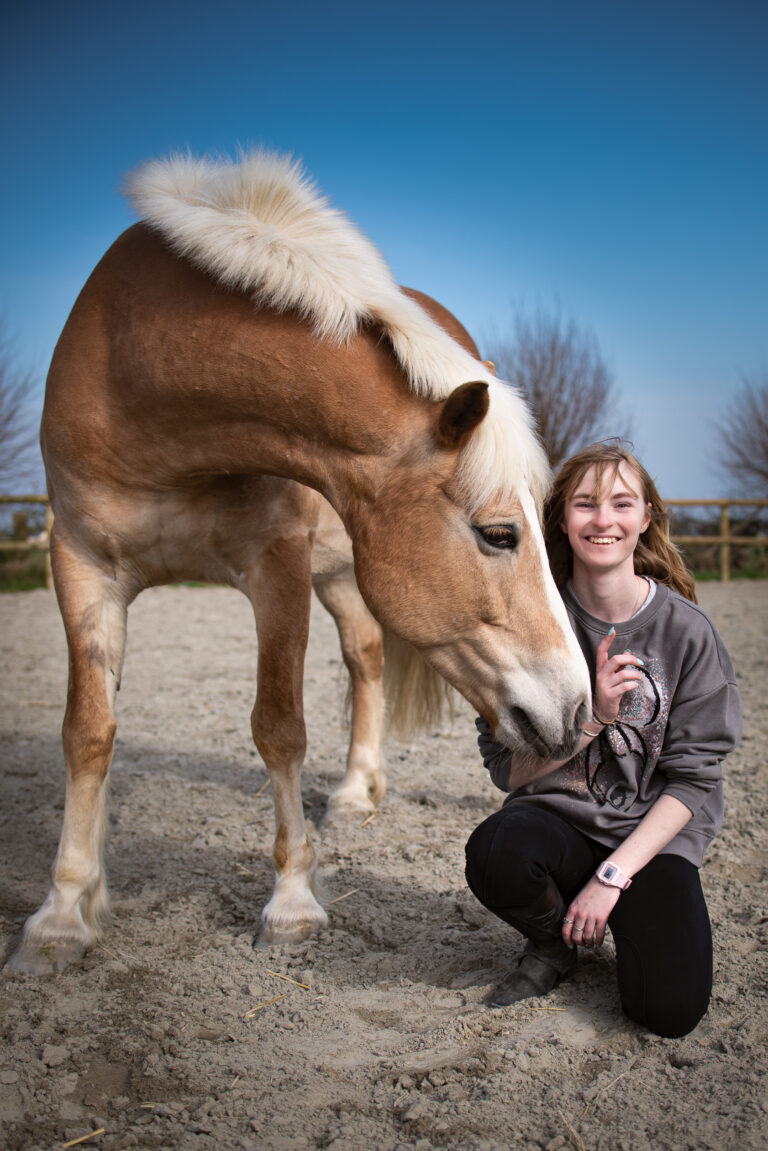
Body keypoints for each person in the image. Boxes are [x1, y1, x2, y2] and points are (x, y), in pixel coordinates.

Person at [464, 441, 742, 1038]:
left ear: (646, 518)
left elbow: (694, 781)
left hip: (649, 845)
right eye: (585, 504)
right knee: (495, 851)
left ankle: (614, 918)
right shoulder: (533, 625)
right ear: (562, 518)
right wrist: (592, 718)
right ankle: (554, 942)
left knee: (667, 1012)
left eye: (621, 503)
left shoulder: (687, 634)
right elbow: (505, 772)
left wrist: (611, 880)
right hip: (556, 828)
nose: (603, 519)